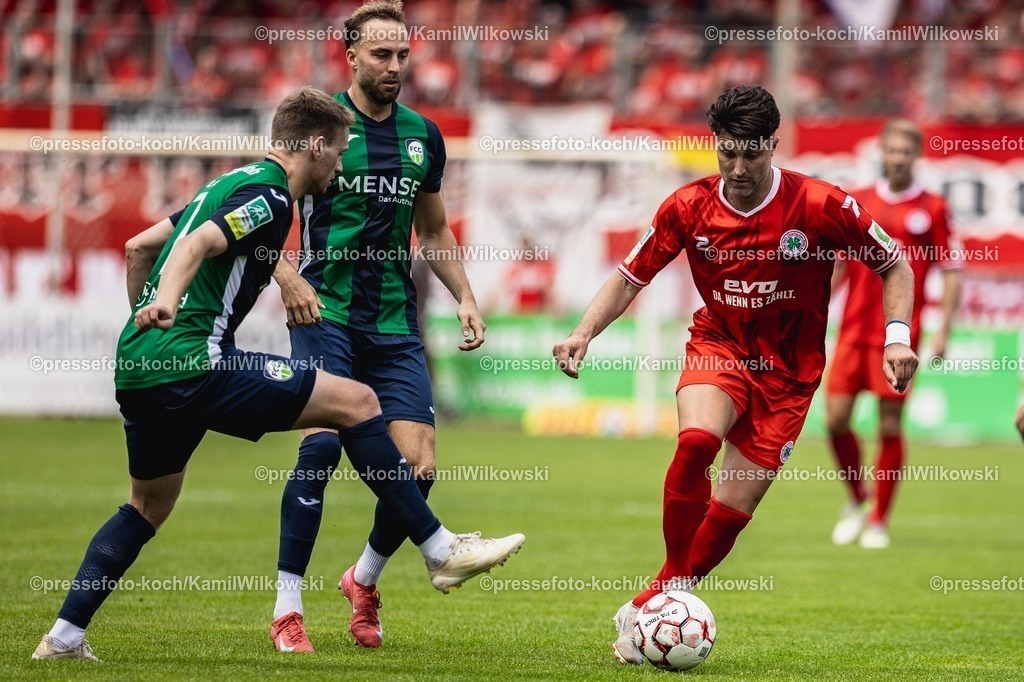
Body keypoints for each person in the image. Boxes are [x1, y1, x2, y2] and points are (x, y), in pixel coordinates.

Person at [32, 87, 523, 663]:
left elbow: (139, 245)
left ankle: (64, 636)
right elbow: (193, 247)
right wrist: (167, 304)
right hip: (195, 361)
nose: (340, 166)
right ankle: (439, 548)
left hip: (141, 367)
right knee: (358, 402)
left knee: (146, 507)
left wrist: (147, 320)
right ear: (315, 146)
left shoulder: (227, 184)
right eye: (338, 154)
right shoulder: (270, 197)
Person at [552, 85, 918, 665]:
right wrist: (582, 333)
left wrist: (898, 338)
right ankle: (674, 582)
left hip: (789, 377)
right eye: (728, 153)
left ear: (773, 145)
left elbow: (893, 263)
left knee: (732, 509)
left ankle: (651, 603)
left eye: (752, 153)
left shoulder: (821, 204)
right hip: (717, 346)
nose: (739, 167)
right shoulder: (687, 206)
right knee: (696, 439)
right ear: (715, 146)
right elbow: (629, 277)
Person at [268, 1, 488, 651]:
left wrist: (466, 297)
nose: (394, 67)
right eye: (381, 56)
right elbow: (264, 204)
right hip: (325, 311)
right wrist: (285, 273)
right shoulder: (321, 128)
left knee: (418, 465)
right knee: (320, 447)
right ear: (352, 56)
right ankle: (287, 608)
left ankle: (362, 579)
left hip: (393, 321)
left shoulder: (424, 135)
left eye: (402, 56)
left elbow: (435, 228)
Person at [825, 119, 963, 549]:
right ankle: (858, 498)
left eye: (906, 151)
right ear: (881, 153)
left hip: (900, 335)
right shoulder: (859, 202)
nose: (898, 158)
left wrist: (943, 330)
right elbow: (840, 266)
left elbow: (952, 270)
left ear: (916, 155)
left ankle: (880, 519)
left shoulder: (934, 207)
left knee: (888, 425)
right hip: (852, 329)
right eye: (892, 150)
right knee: (834, 421)